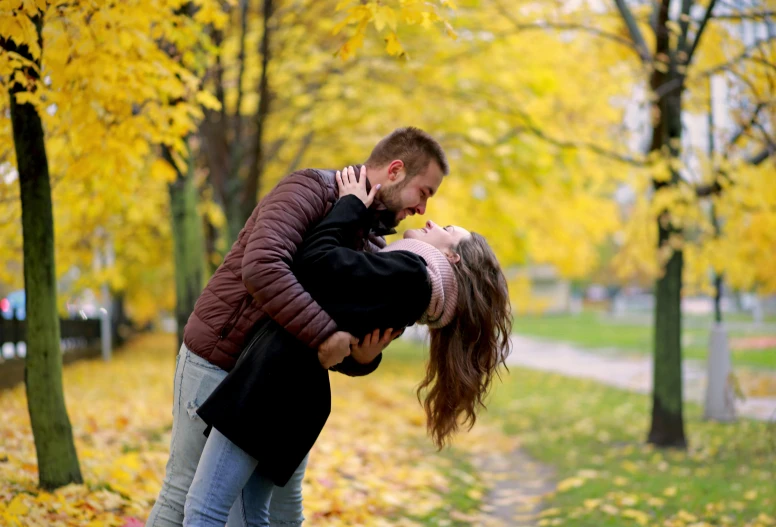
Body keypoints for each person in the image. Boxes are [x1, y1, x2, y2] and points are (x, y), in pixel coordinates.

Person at [146, 127, 450, 527]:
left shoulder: (368, 239)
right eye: (424, 192)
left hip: (272, 385)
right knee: (182, 495)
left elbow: (337, 330)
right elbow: (263, 267)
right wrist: (326, 335)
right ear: (395, 171)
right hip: (220, 359)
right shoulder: (310, 189)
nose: (423, 209)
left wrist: (362, 358)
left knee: (259, 512)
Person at [183, 166, 513, 527]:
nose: (432, 222)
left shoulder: (411, 276)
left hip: (270, 389)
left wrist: (350, 206)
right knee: (252, 515)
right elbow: (344, 326)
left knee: (206, 510)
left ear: (453, 258)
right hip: (291, 392)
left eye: (448, 232)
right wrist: (364, 359)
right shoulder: (410, 288)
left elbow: (312, 264)